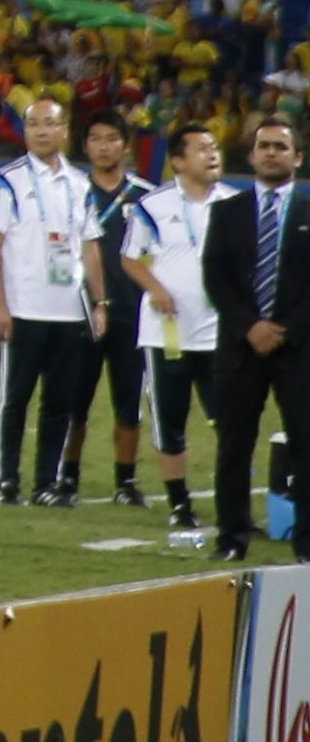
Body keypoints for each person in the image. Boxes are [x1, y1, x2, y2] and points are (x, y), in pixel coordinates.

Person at [0, 99, 99, 508]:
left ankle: (46, 483)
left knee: (60, 402)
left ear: (65, 130)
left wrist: (98, 303)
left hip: (68, 310)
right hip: (23, 308)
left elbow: (90, 247)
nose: (41, 131)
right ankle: (6, 479)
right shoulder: (6, 181)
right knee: (14, 398)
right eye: (33, 124)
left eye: (49, 124)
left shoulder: (80, 184)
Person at [204, 113, 310, 563]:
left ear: (298, 158)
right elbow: (216, 275)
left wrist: (286, 331)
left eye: (280, 146)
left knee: (307, 444)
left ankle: (306, 542)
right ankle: (231, 538)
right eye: (264, 145)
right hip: (240, 347)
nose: (271, 153)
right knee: (234, 445)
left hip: (299, 350)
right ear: (250, 155)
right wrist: (249, 326)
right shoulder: (226, 212)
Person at [124, 123, 227, 548]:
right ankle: (180, 504)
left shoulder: (234, 204)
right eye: (202, 148)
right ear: (179, 161)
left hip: (220, 335)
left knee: (233, 423)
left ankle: (232, 506)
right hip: (165, 335)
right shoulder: (152, 205)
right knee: (170, 423)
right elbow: (130, 259)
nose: (213, 153)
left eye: (215, 147)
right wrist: (158, 290)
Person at [62, 109, 160, 507]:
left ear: (125, 145)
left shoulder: (146, 196)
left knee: (128, 401)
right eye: (96, 139)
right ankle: (66, 476)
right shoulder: (70, 190)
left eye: (111, 139)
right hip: (78, 311)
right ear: (85, 146)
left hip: (132, 314)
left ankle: (126, 481)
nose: (103, 146)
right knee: (74, 400)